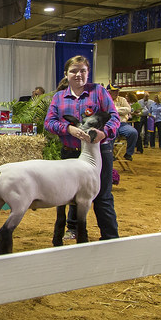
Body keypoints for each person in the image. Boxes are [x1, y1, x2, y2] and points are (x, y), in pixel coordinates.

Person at [44, 55, 121, 243]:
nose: (78, 74)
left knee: (102, 195)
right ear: (66, 74)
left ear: (88, 73)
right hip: (71, 151)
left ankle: (110, 236)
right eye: (74, 71)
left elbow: (114, 117)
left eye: (83, 71)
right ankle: (73, 229)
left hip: (98, 152)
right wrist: (68, 128)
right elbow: (49, 123)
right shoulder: (59, 97)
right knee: (70, 193)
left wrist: (105, 133)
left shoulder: (99, 92)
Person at [108, 87, 138, 161]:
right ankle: (109, 154)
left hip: (122, 124)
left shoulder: (122, 99)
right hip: (111, 124)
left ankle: (129, 154)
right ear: (109, 92)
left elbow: (128, 109)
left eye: (117, 91)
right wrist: (121, 110)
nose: (117, 93)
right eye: (114, 91)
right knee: (110, 133)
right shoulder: (105, 100)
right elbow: (107, 111)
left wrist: (115, 109)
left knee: (133, 132)